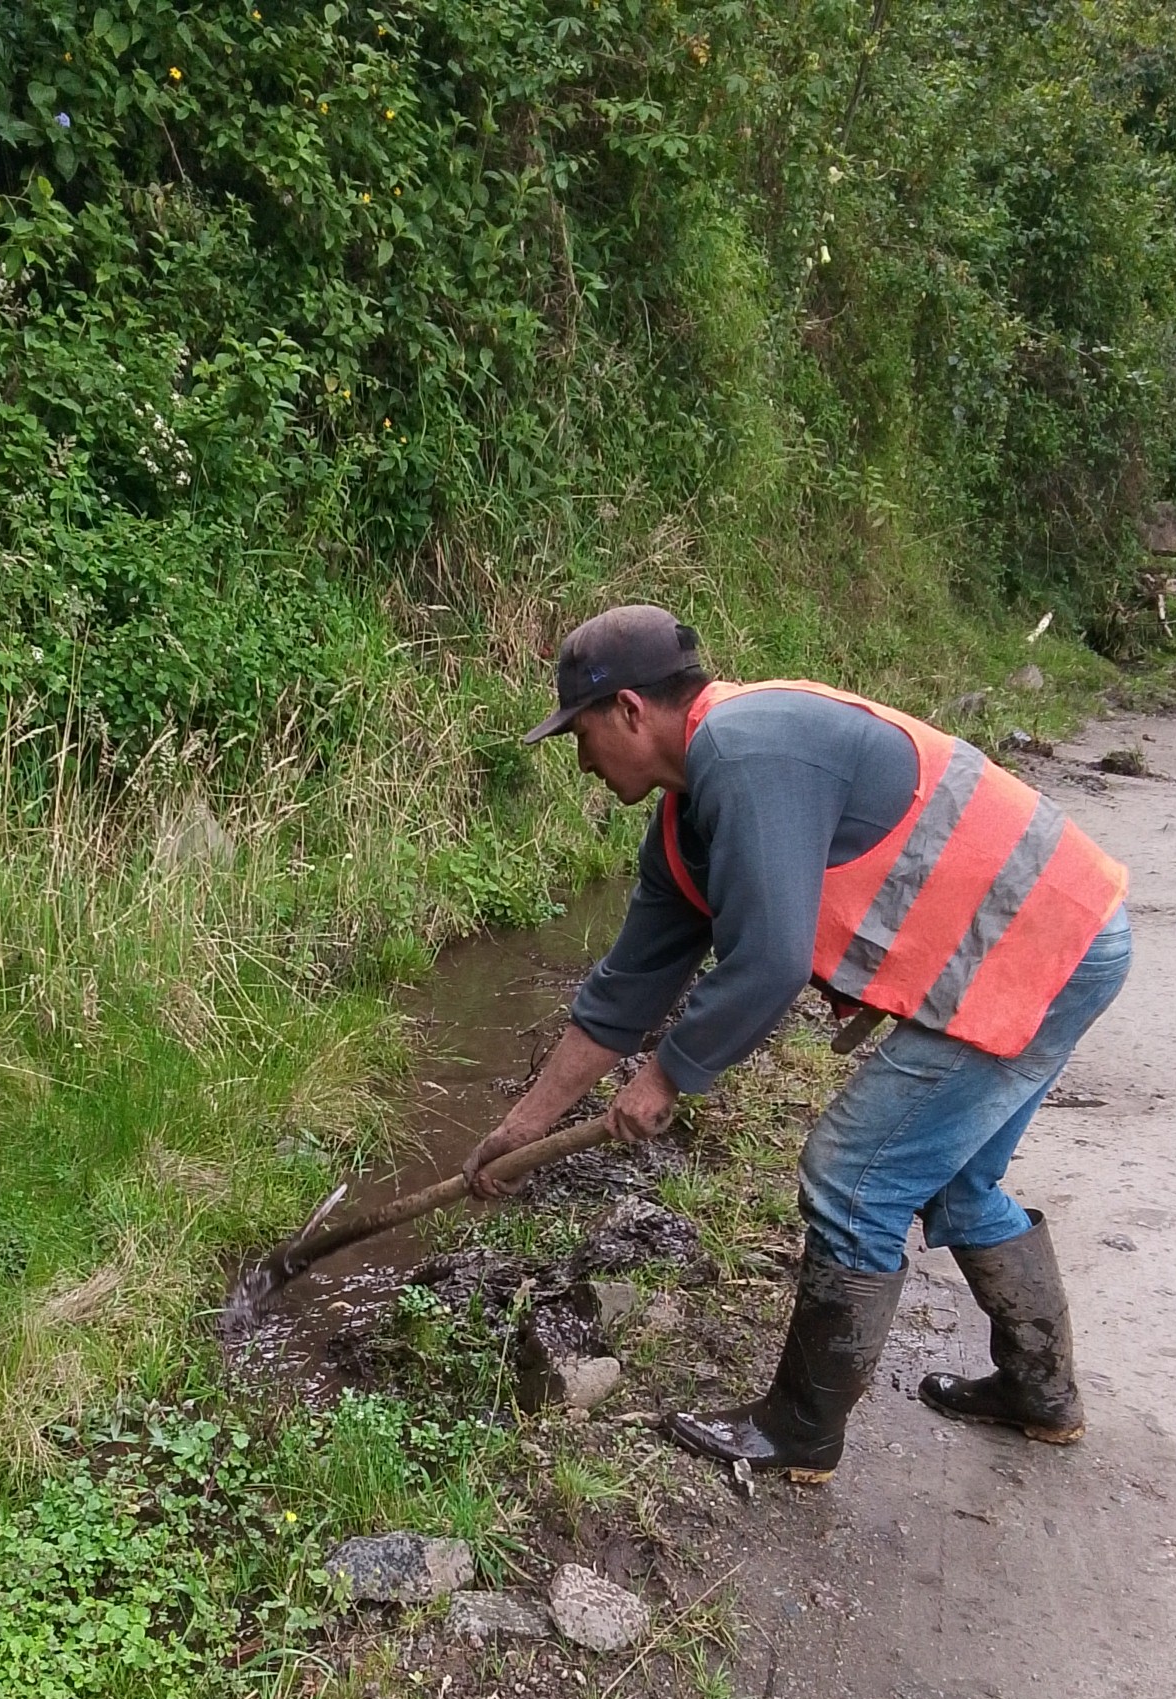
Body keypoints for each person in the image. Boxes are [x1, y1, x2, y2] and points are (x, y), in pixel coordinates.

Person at [463, 606, 1131, 1479]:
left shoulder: (745, 752)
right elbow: (624, 993)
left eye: (580, 735)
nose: (582, 761)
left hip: (1044, 950)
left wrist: (665, 1077)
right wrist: (524, 1128)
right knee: (956, 1180)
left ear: (629, 710)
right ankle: (1040, 1393)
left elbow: (771, 962)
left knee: (854, 1175)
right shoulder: (688, 825)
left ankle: (800, 1431)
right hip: (1050, 941)